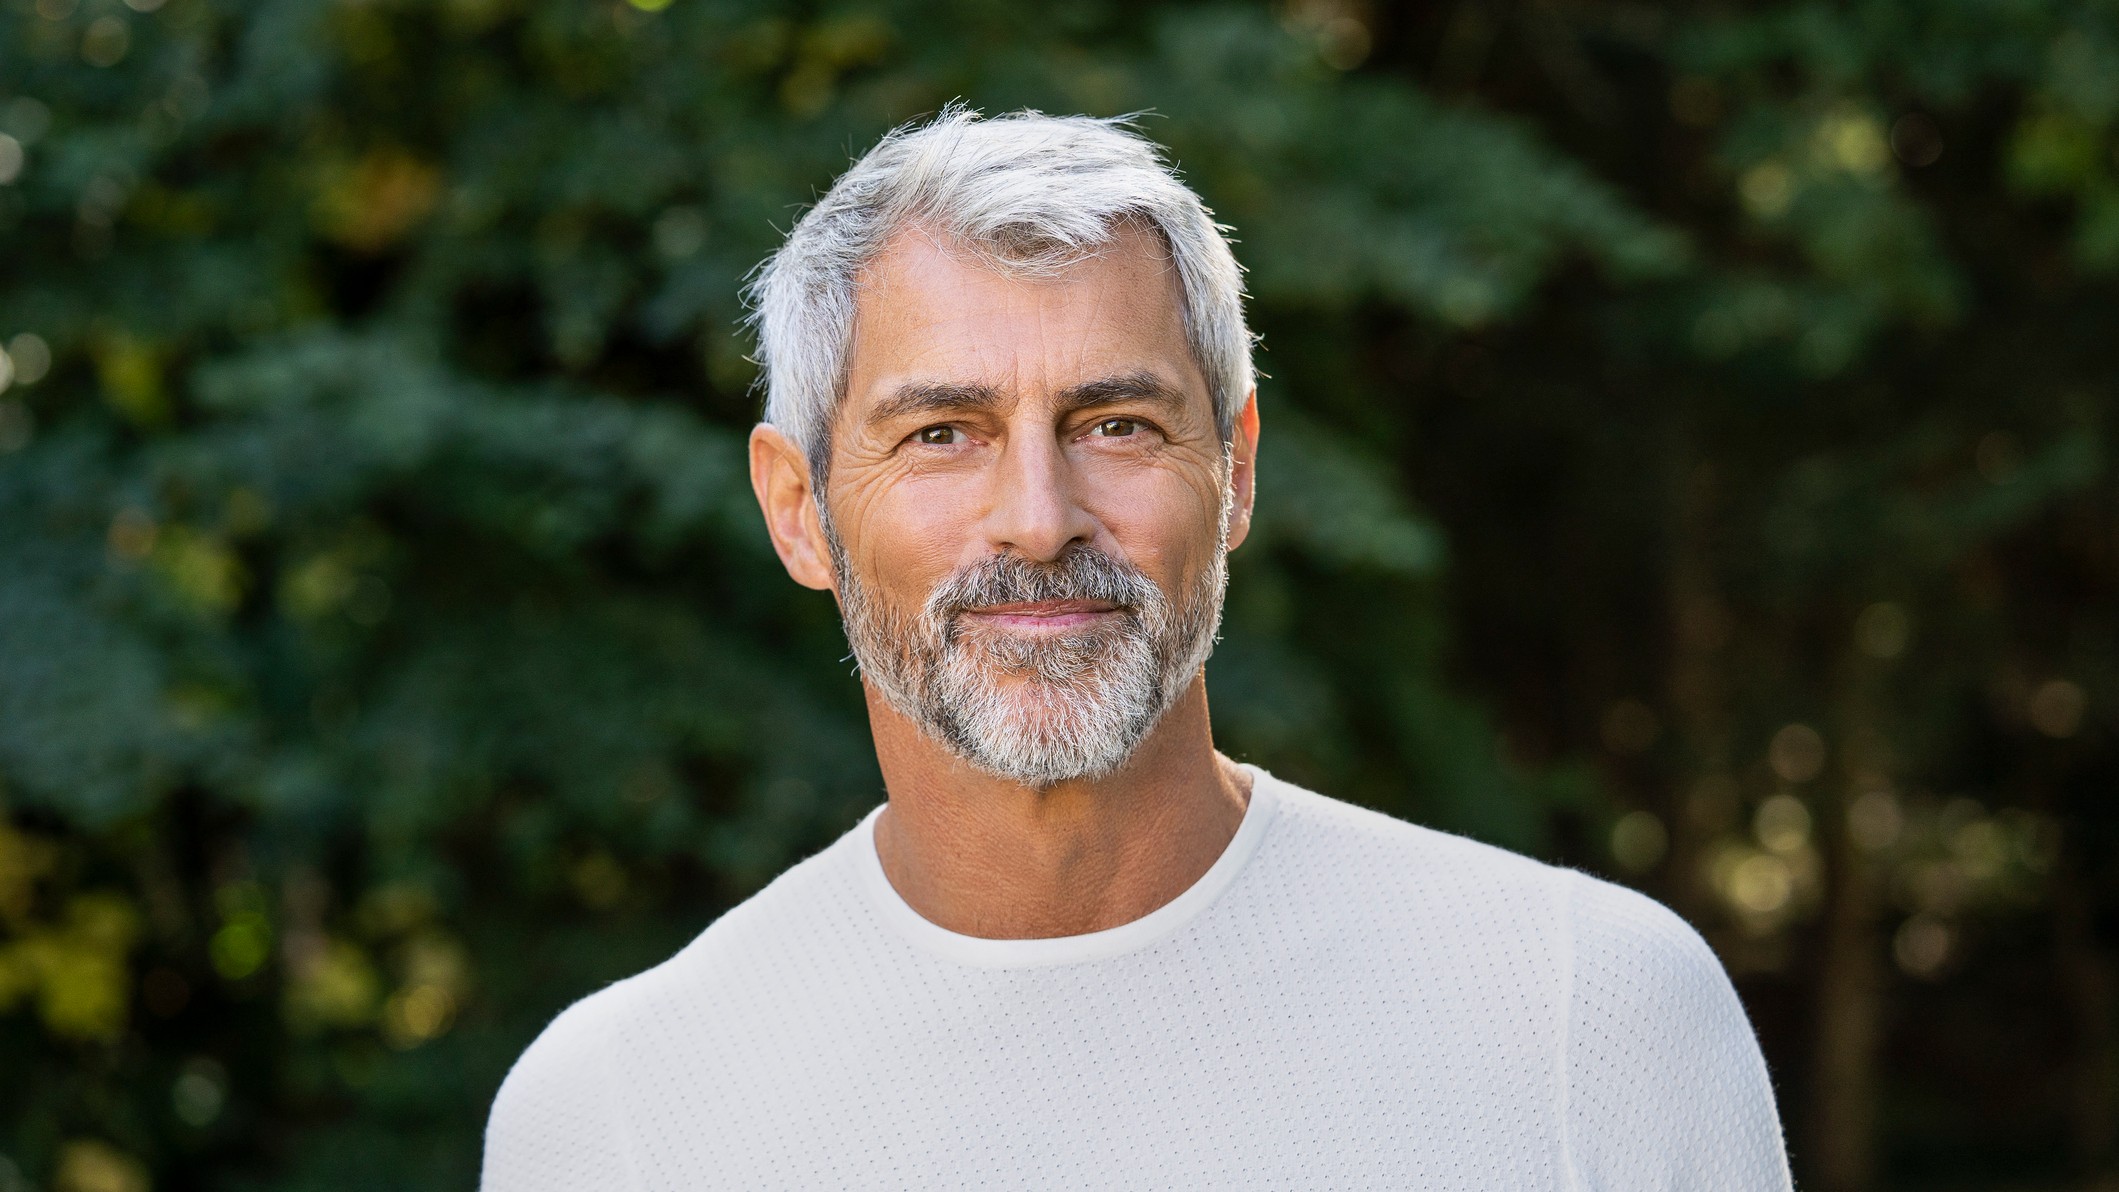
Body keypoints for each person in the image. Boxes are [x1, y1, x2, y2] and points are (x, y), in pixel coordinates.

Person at [480, 107, 1793, 1190]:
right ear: (798, 512)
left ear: (1234, 473)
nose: (1040, 522)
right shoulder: (614, 1117)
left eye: (1114, 423)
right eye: (942, 432)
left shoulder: (1589, 1017)